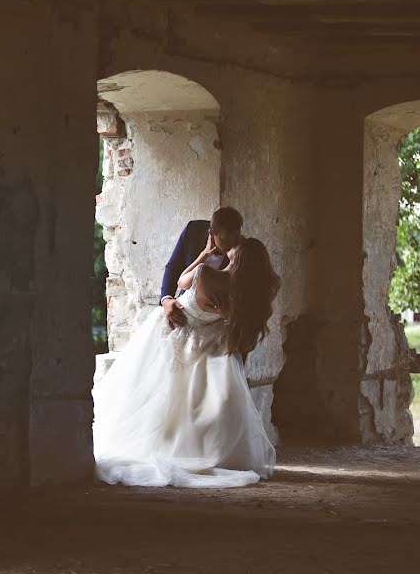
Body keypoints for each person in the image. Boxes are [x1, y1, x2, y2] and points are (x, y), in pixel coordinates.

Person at [93, 236, 281, 488]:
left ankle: (178, 448)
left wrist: (203, 262)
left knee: (169, 395)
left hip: (183, 336)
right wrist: (222, 315)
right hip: (202, 339)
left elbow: (181, 281)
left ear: (237, 258)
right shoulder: (243, 293)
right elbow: (242, 341)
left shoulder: (206, 273)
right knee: (194, 397)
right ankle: (194, 449)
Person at [161, 207, 243, 330]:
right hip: (184, 311)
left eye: (235, 239)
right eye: (225, 240)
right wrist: (166, 299)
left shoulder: (242, 252)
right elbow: (173, 267)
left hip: (215, 324)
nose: (231, 245)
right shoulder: (193, 231)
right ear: (212, 233)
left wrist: (228, 315)